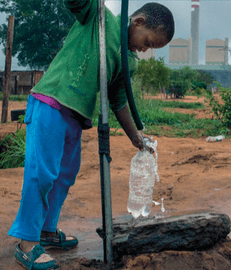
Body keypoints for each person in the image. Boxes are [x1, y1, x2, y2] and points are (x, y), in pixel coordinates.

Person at [8, 1, 174, 269]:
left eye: (150, 48)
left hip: (76, 116)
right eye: (148, 43)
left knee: (64, 177)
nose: (144, 50)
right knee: (42, 175)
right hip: (51, 101)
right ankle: (26, 242)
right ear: (138, 22)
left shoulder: (129, 62)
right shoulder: (98, 17)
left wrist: (136, 137)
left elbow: (118, 100)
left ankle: (47, 230)